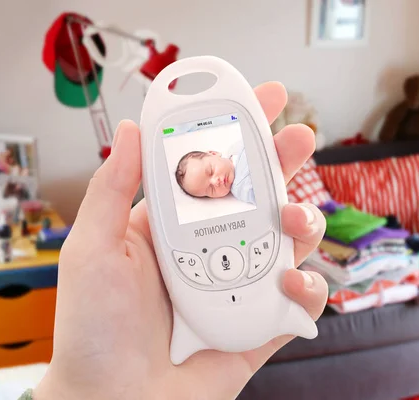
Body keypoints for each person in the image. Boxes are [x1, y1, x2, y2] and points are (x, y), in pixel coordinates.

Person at [25, 82, 328, 400]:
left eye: (211, 170)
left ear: (214, 153)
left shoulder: (243, 149)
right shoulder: (239, 192)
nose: (217, 181)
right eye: (209, 190)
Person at [175, 136, 256, 205]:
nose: (215, 182)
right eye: (211, 189)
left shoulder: (233, 149)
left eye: (211, 171)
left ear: (213, 153)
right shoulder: (242, 190)